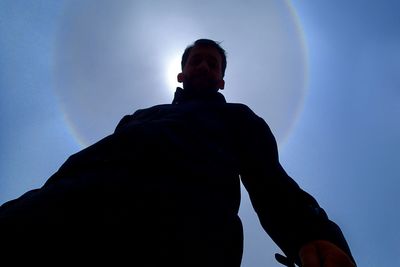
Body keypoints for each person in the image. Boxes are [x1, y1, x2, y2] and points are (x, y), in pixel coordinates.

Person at [0, 39, 356, 267]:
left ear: (221, 82)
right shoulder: (139, 117)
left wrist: (312, 233)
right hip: (65, 211)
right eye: (196, 61)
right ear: (181, 74)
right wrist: (46, 196)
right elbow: (86, 161)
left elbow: (271, 181)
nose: (203, 66)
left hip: (182, 235)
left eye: (212, 64)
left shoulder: (238, 118)